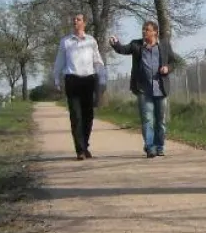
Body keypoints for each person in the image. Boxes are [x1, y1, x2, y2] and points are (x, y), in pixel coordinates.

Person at [110, 21, 173, 158]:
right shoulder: (136, 45)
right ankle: (150, 147)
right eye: (143, 29)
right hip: (144, 90)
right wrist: (115, 44)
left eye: (147, 30)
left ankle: (160, 146)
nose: (144, 32)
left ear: (155, 32)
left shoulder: (164, 45)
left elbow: (173, 61)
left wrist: (168, 68)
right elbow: (123, 49)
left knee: (160, 120)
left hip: (161, 89)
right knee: (147, 120)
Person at [52, 13, 108, 160]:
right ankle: (80, 150)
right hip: (72, 80)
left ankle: (85, 145)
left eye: (78, 19)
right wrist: (56, 79)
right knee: (76, 116)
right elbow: (59, 62)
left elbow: (97, 61)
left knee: (88, 115)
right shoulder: (66, 42)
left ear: (84, 23)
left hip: (89, 80)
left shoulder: (91, 41)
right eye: (74, 20)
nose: (75, 22)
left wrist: (102, 77)